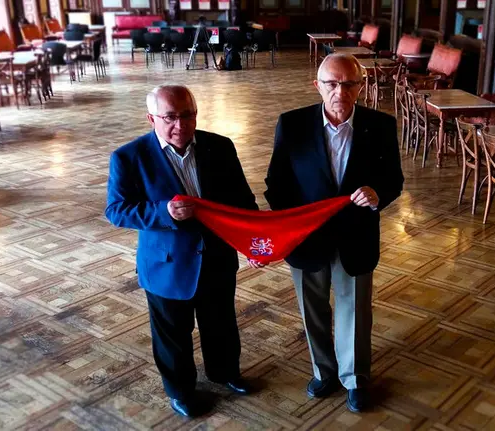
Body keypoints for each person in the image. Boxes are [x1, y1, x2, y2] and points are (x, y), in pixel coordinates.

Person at [105, 84, 260, 417]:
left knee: (221, 323)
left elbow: (242, 200)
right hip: (167, 264)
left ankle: (224, 373)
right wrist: (163, 212)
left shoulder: (220, 146)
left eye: (187, 115)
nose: (181, 125)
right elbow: (116, 210)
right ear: (152, 119)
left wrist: (254, 241)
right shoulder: (129, 157)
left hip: (217, 257)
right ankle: (181, 391)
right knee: (172, 334)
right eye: (170, 117)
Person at [264, 54, 404, 412]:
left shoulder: (381, 125)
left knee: (355, 310)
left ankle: (355, 378)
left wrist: (378, 195)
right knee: (312, 310)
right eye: (331, 83)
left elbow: (393, 180)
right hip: (306, 239)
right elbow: (277, 182)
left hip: (356, 237)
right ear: (317, 85)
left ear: (361, 86)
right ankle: (323, 372)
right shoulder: (291, 124)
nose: (340, 91)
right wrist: (287, 228)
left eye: (349, 83)